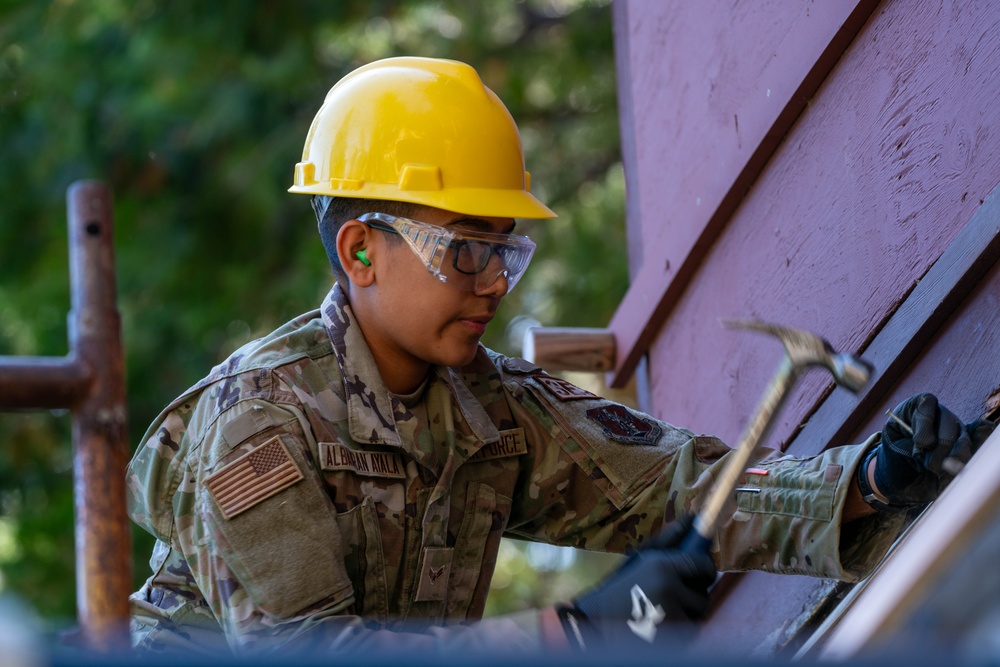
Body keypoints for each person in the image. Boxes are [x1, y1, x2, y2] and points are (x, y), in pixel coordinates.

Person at [125, 56, 994, 657]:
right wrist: (573, 633)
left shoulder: (487, 404)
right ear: (360, 251)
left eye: (505, 252)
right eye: (463, 249)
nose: (493, 283)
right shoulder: (257, 422)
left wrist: (870, 483)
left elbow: (677, 489)